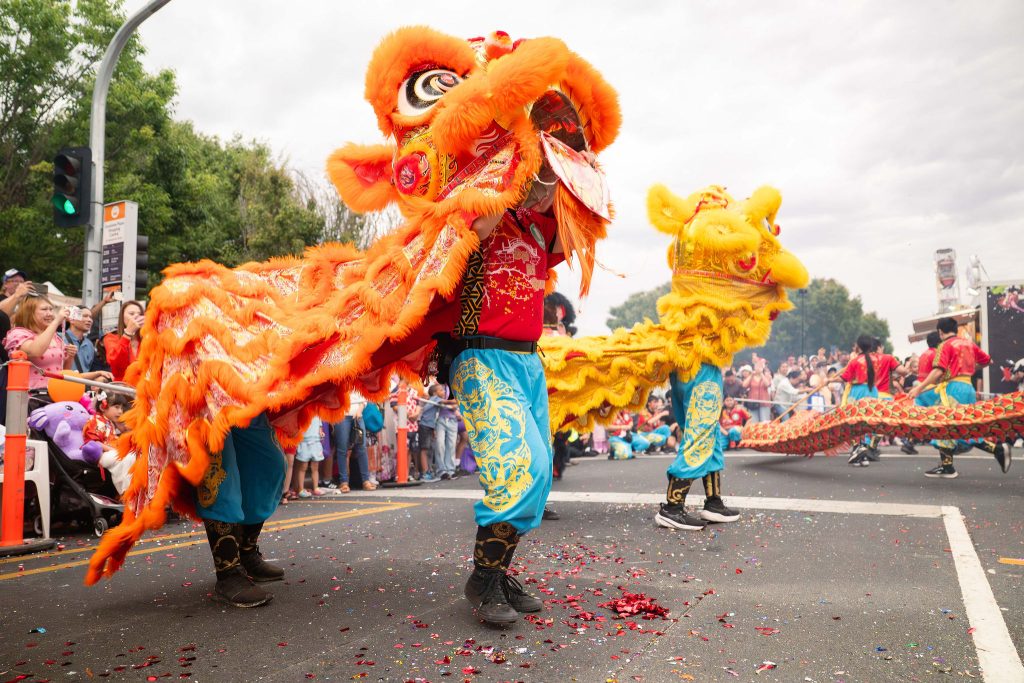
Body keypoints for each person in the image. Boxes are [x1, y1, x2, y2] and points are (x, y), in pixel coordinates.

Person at [439, 158, 564, 626]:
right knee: (519, 467)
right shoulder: (480, 206)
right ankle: (484, 579)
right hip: (482, 356)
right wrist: (517, 167)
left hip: (528, 361)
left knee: (539, 474)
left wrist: (571, 163)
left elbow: (576, 230)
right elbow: (476, 226)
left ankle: (496, 572)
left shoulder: (538, 226)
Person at [908, 317, 1012, 478]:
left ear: (940, 332)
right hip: (968, 387)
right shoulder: (969, 343)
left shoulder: (945, 345)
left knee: (943, 424)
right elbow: (988, 361)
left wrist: (918, 388)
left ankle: (949, 466)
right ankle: (995, 451)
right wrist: (969, 369)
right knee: (965, 427)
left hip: (953, 389)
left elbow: (938, 370)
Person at [655, 362, 741, 532]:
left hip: (681, 367)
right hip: (703, 368)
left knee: (708, 435)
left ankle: (714, 502)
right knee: (700, 434)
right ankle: (673, 507)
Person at [3, 295, 110, 390]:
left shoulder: (55, 337)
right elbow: (35, 351)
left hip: (56, 393)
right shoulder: (18, 334)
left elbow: (64, 372)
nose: (50, 313)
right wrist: (56, 321)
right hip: (31, 396)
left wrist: (70, 357)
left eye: (51, 309)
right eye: (44, 309)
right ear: (29, 312)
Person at [835, 335, 880, 467]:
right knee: (867, 422)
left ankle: (857, 450)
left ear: (858, 346)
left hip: (857, 391)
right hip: (872, 391)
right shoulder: (876, 359)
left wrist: (829, 380)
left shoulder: (855, 361)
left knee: (854, 422)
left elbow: (844, 378)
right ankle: (863, 453)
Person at [82, 391, 136, 494]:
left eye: (121, 408)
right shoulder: (96, 420)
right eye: (116, 407)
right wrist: (113, 449)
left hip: (110, 452)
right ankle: (126, 491)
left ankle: (130, 490)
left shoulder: (109, 422)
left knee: (132, 456)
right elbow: (93, 442)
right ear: (102, 407)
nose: (120, 411)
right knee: (129, 457)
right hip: (102, 455)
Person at [901, 332, 942, 455]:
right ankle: (943, 444)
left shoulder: (923, 354)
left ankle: (910, 442)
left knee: (920, 419)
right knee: (939, 417)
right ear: (939, 342)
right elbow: (938, 372)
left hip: (919, 388)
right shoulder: (937, 354)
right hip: (931, 389)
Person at [331, 392, 378, 492]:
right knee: (342, 449)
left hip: (358, 414)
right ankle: (344, 482)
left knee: (362, 448)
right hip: (341, 414)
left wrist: (360, 410)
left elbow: (364, 396)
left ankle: (365, 480)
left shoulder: (358, 381)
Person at [102, 300, 145, 382]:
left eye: (140, 314)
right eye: (131, 314)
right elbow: (114, 361)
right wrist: (128, 333)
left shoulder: (146, 339)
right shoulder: (111, 338)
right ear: (122, 317)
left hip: (144, 386)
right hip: (122, 386)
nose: (136, 317)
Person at [62, 306, 101, 374]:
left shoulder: (89, 344)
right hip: (63, 379)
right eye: (85, 316)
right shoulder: (59, 338)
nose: (89, 320)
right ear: (72, 319)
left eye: (90, 317)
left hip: (84, 380)